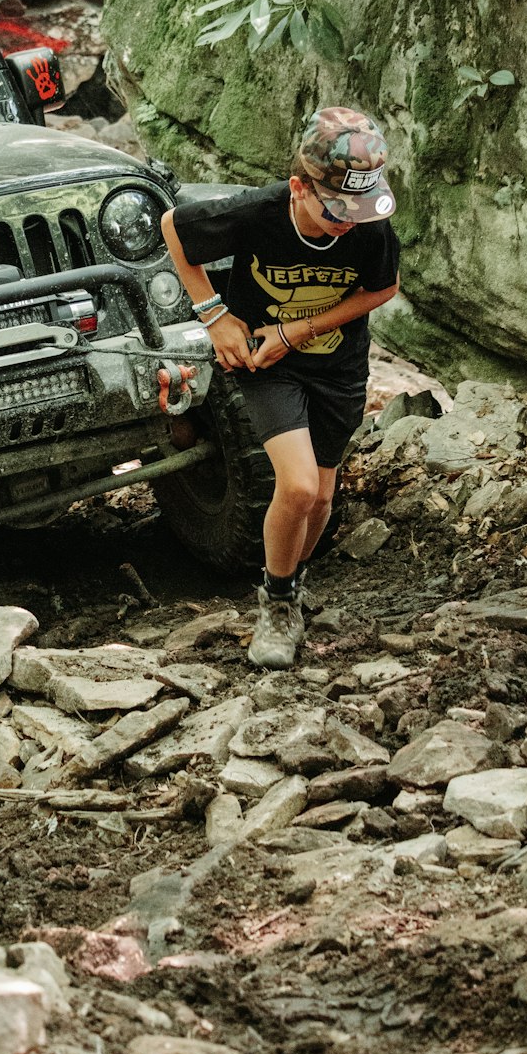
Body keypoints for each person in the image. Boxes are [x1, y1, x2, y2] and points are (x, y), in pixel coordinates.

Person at [161, 107, 401, 669]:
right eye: (336, 209)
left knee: (319, 497)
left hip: (336, 365)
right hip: (265, 363)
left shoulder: (368, 224)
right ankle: (277, 602)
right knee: (295, 487)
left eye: (359, 208)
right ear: (299, 186)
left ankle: (290, 579)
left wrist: (297, 331)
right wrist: (214, 314)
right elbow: (175, 226)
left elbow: (382, 289)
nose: (349, 222)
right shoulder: (260, 212)